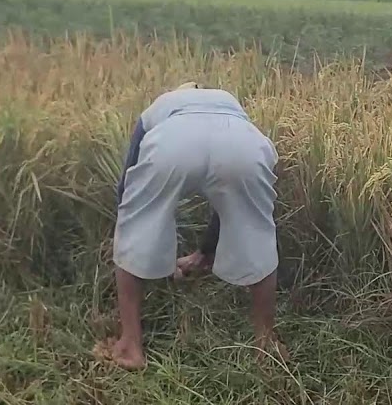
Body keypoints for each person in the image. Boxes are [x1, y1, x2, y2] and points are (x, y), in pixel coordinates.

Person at [95, 82, 282, 370]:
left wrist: (130, 226)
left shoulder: (160, 106)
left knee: (136, 225)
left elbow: (126, 186)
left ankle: (130, 345)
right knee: (256, 231)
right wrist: (206, 253)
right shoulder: (230, 104)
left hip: (174, 142)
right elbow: (227, 209)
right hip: (241, 145)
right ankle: (266, 344)